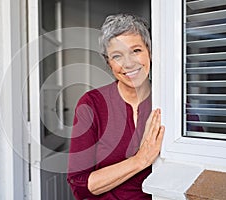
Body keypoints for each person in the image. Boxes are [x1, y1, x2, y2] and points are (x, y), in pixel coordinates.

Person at [67, 14, 165, 200]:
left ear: (150, 52)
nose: (128, 63)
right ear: (108, 62)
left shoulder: (174, 105)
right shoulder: (91, 104)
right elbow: (80, 185)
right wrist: (140, 160)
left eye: (136, 50)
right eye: (117, 56)